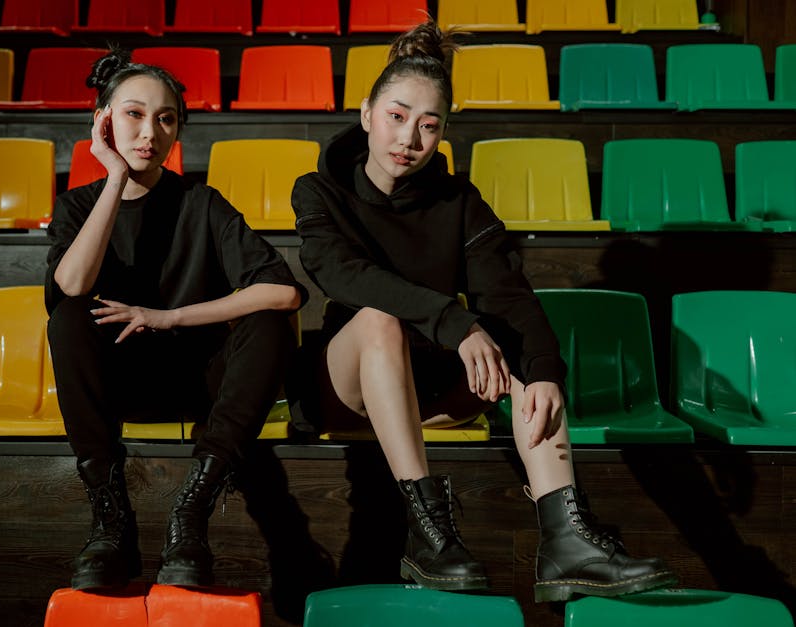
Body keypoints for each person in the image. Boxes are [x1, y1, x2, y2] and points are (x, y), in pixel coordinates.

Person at [290, 20, 678, 602]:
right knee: (377, 318)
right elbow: (344, 274)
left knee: (523, 354)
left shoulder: (460, 202)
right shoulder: (317, 191)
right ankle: (429, 535)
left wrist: (543, 372)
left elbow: (508, 295)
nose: (409, 139)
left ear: (443, 132)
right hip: (348, 391)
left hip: (431, 394)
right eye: (397, 116)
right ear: (367, 112)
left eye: (429, 126)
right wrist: (454, 321)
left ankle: (566, 540)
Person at [45, 49, 306, 592]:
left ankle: (193, 509)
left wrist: (168, 317)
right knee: (68, 316)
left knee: (268, 320)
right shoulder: (77, 207)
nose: (150, 131)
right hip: (115, 386)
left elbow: (283, 291)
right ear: (104, 122)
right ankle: (109, 517)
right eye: (133, 114)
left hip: (200, 386)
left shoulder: (201, 203)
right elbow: (71, 286)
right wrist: (113, 178)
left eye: (166, 118)